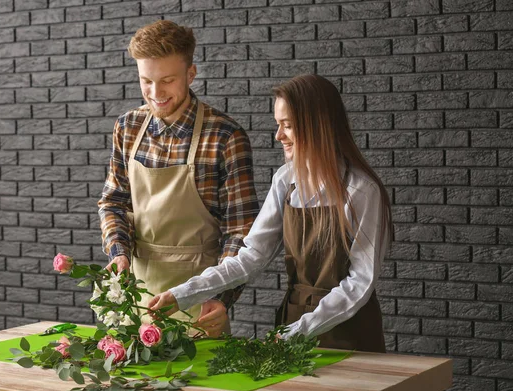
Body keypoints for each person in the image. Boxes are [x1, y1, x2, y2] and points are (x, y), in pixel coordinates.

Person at [149, 74, 392, 352]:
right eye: (278, 125)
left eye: (287, 125)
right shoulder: (285, 180)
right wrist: (183, 295)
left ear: (318, 126)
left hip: (350, 332)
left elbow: (360, 282)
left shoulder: (361, 191)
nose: (279, 136)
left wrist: (300, 331)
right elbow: (251, 257)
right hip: (292, 321)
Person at [97, 20, 260, 337]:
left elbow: (241, 230)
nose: (155, 93)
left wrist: (220, 296)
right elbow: (113, 202)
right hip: (134, 299)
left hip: (198, 305)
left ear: (190, 74)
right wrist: (118, 255)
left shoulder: (225, 136)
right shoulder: (127, 127)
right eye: (146, 81)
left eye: (167, 81)